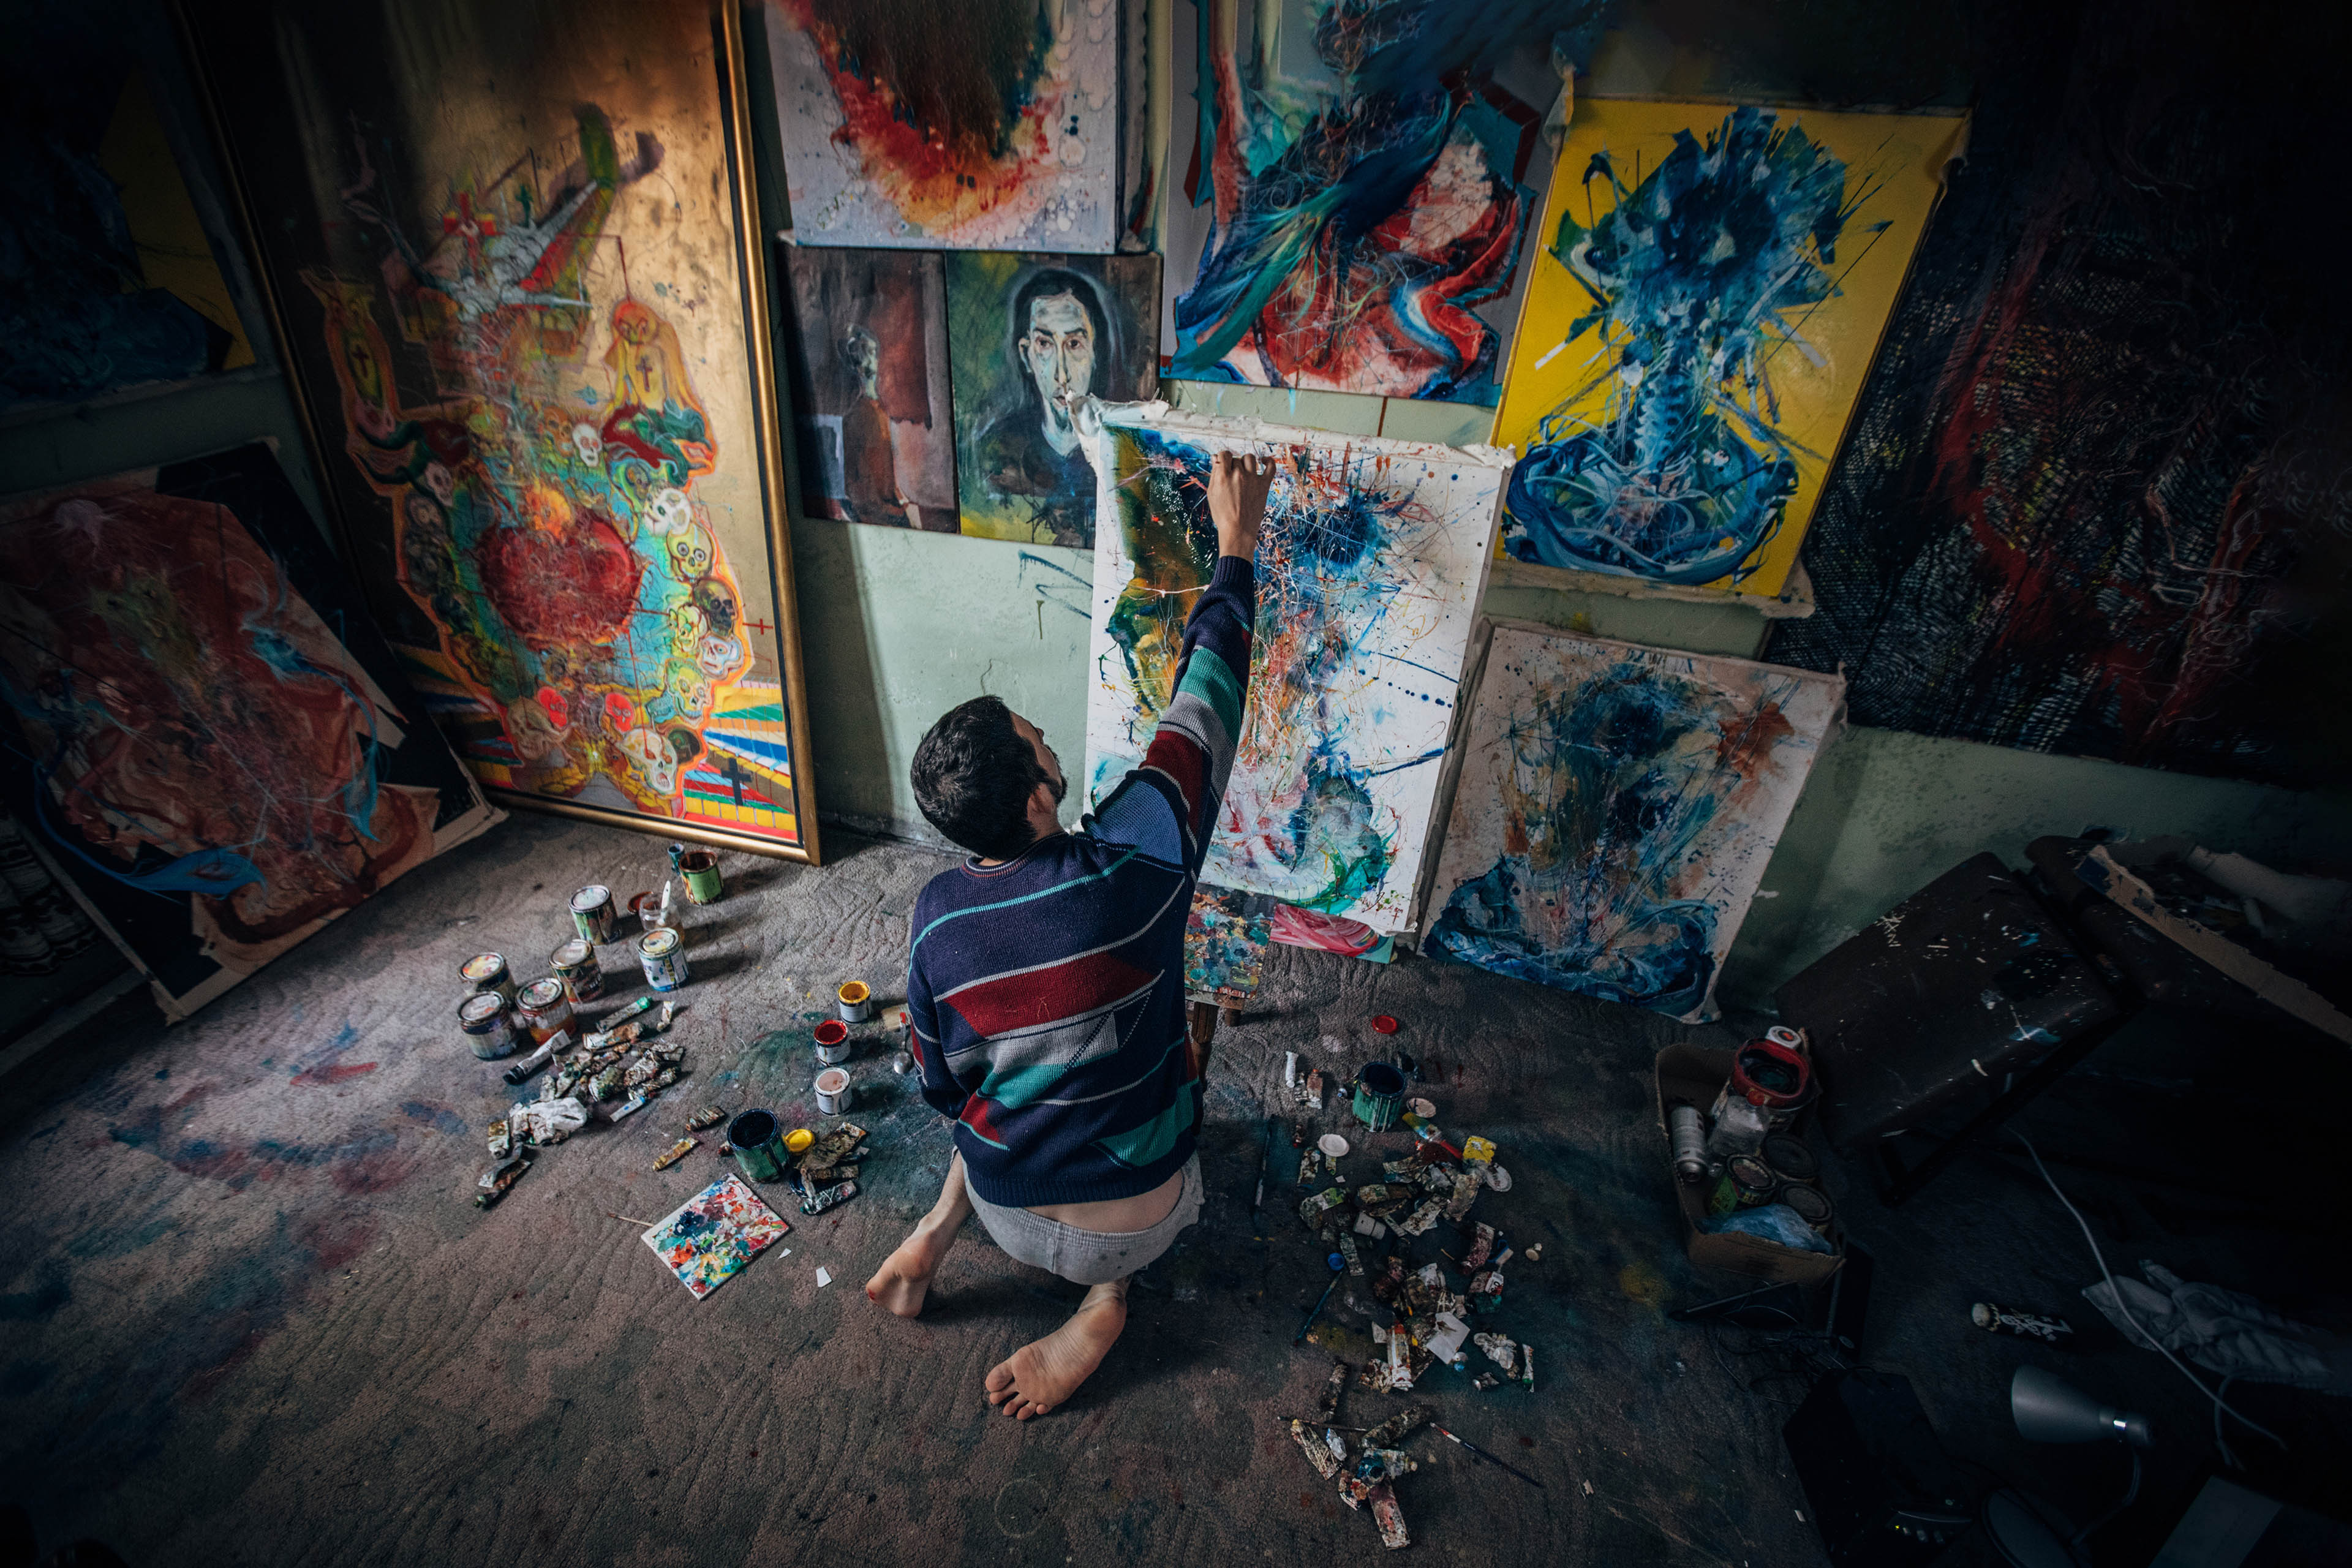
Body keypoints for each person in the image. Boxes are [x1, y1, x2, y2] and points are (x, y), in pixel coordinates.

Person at [866, 448, 1276, 1420]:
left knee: (1000, 1084)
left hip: (1009, 1213)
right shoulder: (1139, 861)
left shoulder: (934, 918)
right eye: (1040, 739)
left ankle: (932, 1234)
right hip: (1135, 1223)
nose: (1049, 735)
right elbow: (1205, 702)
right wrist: (1237, 541)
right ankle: (1104, 1306)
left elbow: (938, 1090)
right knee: (1154, 1066)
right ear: (1043, 800)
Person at [970, 269, 1110, 546]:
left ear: (1095, 352)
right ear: (1026, 355)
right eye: (1045, 344)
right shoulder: (998, 449)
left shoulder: (1118, 451)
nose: (1062, 374)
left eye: (1074, 344)